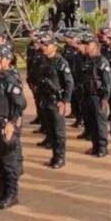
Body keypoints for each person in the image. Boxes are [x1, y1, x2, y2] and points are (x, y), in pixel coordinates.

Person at [0, 47, 27, 209]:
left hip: (4, 125)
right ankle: (1, 192)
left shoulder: (8, 79)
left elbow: (20, 103)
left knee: (9, 163)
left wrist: (11, 123)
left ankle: (11, 194)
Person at [37, 34, 74, 169]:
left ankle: (60, 158)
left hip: (57, 100)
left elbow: (69, 82)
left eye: (47, 45)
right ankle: (54, 156)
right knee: (50, 130)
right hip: (45, 99)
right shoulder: (43, 60)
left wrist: (65, 101)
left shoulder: (61, 62)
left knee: (59, 132)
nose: (44, 47)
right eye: (43, 45)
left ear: (54, 46)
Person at [79, 35, 111, 157]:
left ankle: (103, 147)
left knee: (100, 123)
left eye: (88, 44)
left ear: (95, 45)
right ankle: (95, 146)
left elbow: (107, 81)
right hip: (86, 96)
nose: (86, 47)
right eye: (84, 44)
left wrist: (105, 98)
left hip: (98, 96)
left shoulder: (102, 61)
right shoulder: (86, 60)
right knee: (90, 122)